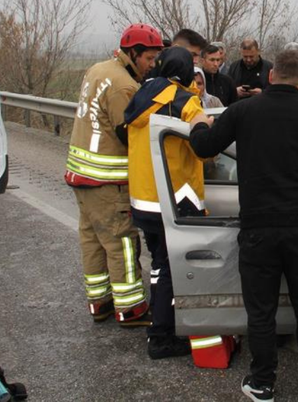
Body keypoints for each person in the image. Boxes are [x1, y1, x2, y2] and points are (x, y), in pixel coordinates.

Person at [189, 49, 298, 402]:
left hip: (258, 230)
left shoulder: (242, 111)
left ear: (271, 75)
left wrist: (200, 121)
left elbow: (203, 148)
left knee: (260, 312)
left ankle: (262, 383)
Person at [65, 23, 163, 326]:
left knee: (92, 240)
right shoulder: (125, 87)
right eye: (148, 58)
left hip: (81, 174)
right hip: (108, 179)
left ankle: (100, 302)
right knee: (121, 241)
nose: (152, 65)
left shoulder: (98, 69)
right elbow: (129, 136)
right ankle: (131, 308)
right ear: (133, 53)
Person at [124, 47, 206, 358]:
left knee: (159, 265)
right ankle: (162, 336)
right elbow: (205, 148)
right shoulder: (183, 99)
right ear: (185, 71)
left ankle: (159, 323)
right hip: (173, 200)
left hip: (144, 200)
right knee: (172, 268)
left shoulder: (142, 95)